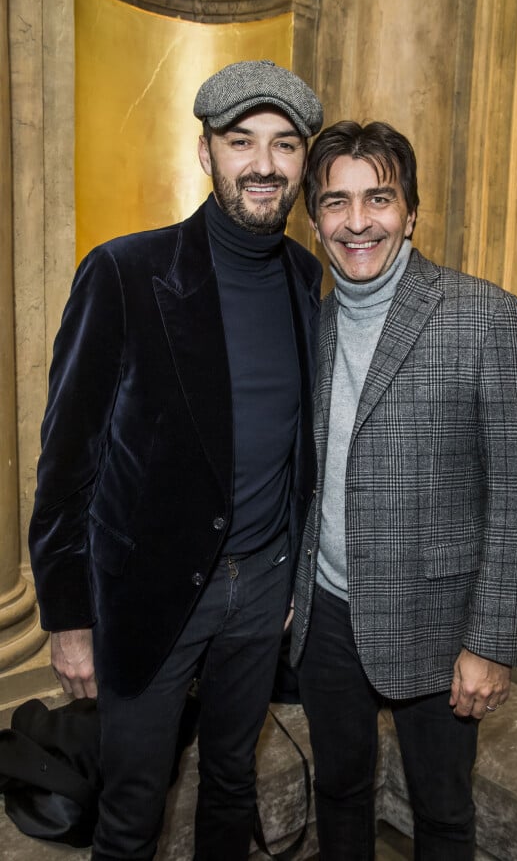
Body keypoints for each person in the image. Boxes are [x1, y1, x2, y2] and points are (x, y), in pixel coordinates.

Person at [28, 60, 323, 861]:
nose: (264, 164)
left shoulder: (306, 275)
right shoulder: (124, 272)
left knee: (231, 779)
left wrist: (292, 577)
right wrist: (68, 616)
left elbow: (303, 443)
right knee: (132, 806)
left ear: (302, 161)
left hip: (263, 587)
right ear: (206, 154)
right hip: (151, 591)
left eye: (285, 145)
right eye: (241, 142)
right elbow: (68, 461)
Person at [290, 120, 517, 860]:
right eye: (336, 202)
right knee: (339, 793)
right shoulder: (310, 319)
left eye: (379, 197)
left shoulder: (486, 317)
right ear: (315, 219)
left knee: (440, 811)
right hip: (326, 617)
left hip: (440, 625)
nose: (358, 220)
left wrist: (491, 643)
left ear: (411, 212)